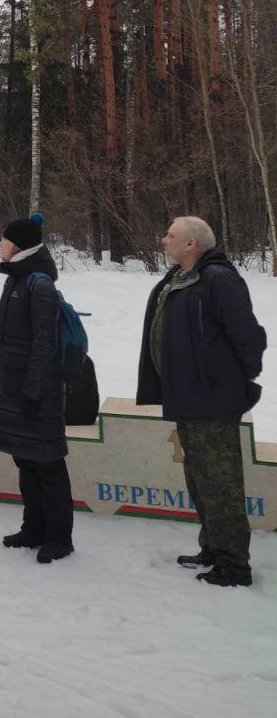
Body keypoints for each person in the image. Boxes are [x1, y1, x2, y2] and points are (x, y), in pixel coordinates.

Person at [137, 216, 267, 588]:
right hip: (188, 397)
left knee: (220, 483)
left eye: (171, 235)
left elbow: (249, 337)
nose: (164, 240)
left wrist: (229, 379)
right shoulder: (179, 278)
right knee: (198, 479)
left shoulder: (219, 279)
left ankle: (233, 565)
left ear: (192, 244)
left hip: (212, 400)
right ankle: (212, 546)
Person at [0, 211, 74, 564]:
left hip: (38, 389)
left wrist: (34, 392)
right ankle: (33, 527)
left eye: (4, 239)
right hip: (14, 385)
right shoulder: (16, 279)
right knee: (26, 461)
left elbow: (44, 346)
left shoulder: (40, 285)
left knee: (48, 464)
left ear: (18, 245)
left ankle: (59, 537)